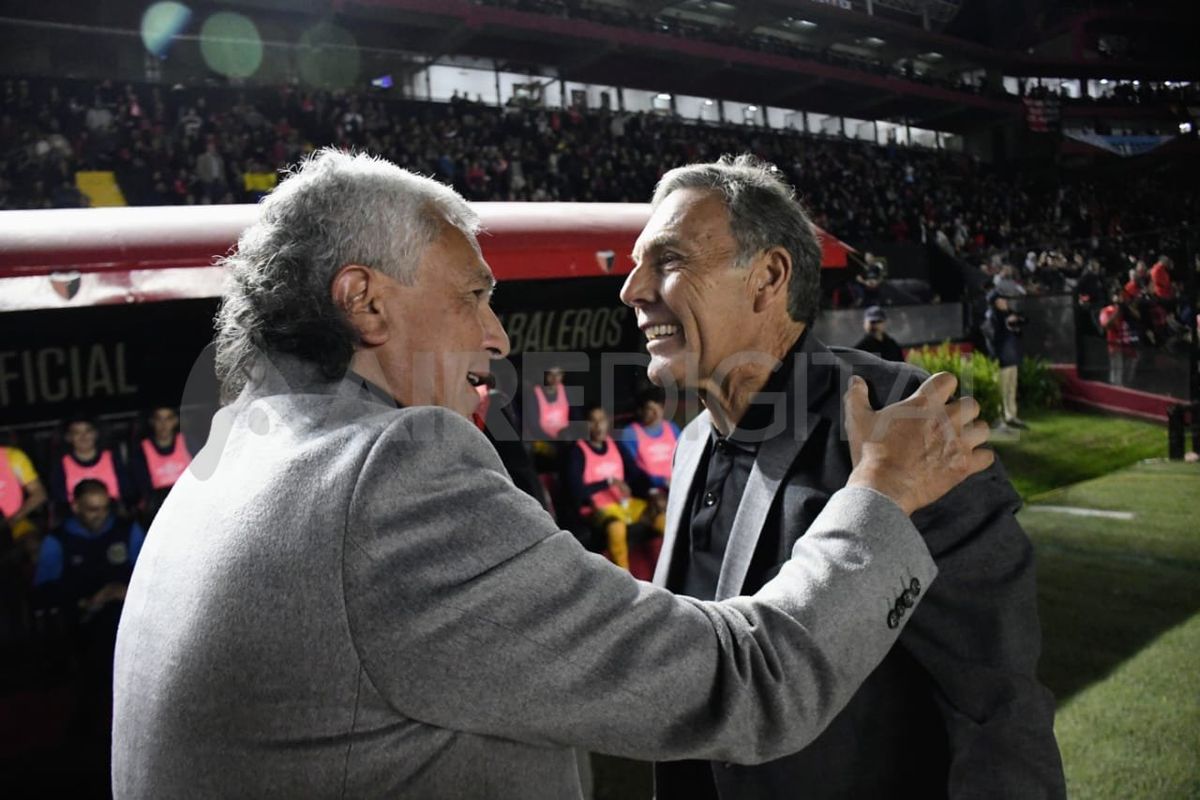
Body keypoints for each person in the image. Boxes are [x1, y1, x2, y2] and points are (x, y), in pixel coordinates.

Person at [112, 149, 992, 799]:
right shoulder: (390, 470)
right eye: (473, 294)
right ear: (365, 300)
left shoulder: (228, 461)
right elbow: (746, 683)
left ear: (770, 279)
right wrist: (881, 494)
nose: (497, 334)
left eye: (671, 259)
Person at [620, 155, 1064, 800]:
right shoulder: (692, 442)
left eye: (668, 261)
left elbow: (997, 706)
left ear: (768, 276)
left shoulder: (903, 422)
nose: (631, 289)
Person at [566, 405, 663, 579]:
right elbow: (577, 492)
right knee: (616, 528)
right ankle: (626, 583)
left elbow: (635, 473)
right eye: (592, 421)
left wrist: (652, 493)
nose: (598, 426)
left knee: (662, 518)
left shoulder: (615, 445)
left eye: (601, 420)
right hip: (599, 510)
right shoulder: (577, 452)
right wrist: (609, 482)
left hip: (625, 505)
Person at [49, 417, 137, 514]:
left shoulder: (111, 457)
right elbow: (59, 499)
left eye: (88, 431)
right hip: (77, 516)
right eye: (77, 433)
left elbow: (127, 491)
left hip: (112, 513)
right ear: (68, 437)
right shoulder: (62, 463)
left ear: (96, 434)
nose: (83, 437)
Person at [130, 406, 193, 523]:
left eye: (168, 418)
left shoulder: (188, 441)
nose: (163, 425)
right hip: (158, 508)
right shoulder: (141, 450)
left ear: (175, 421)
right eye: (159, 419)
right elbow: (143, 487)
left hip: (189, 500)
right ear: (152, 422)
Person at [617, 386, 679, 491]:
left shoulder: (672, 428)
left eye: (659, 407)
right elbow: (633, 470)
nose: (657, 413)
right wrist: (661, 481)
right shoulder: (630, 434)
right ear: (640, 411)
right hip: (649, 489)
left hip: (676, 484)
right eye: (650, 409)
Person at [985, 291, 1027, 429]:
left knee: (1011, 388)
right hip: (1001, 360)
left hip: (1011, 358)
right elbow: (993, 338)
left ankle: (1011, 416)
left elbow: (1020, 328)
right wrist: (1006, 324)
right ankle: (999, 417)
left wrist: (1014, 325)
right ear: (995, 303)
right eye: (1002, 300)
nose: (1005, 302)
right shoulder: (991, 317)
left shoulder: (1008, 314)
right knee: (1001, 390)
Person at [0, 443, 48, 544]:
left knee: (30, 543)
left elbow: (39, 494)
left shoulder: (12, 457)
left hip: (18, 526)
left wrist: (14, 519)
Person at [1099, 290, 1139, 387]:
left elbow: (1137, 317)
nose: (1120, 298)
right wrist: (1118, 311)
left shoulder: (1127, 309)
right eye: (1118, 296)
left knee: (1133, 362)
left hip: (1128, 343)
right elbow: (1106, 325)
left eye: (1121, 296)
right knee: (1117, 371)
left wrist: (1126, 308)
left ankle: (1128, 385)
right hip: (1115, 344)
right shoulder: (1106, 310)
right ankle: (1117, 387)